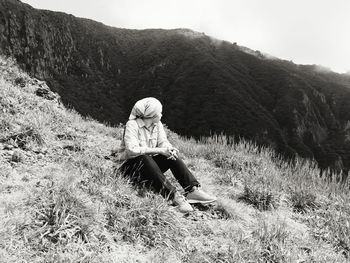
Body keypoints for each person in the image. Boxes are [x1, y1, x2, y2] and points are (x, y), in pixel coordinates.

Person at [117, 97, 216, 213]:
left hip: (148, 169)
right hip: (129, 170)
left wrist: (169, 149)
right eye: (159, 112)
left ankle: (192, 190)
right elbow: (132, 151)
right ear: (152, 114)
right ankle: (173, 196)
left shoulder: (157, 125)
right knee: (144, 157)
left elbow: (163, 142)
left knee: (169, 156)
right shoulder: (132, 125)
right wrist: (159, 150)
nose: (161, 114)